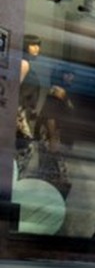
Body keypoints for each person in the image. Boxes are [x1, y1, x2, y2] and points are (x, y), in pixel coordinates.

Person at [34, 67, 75, 199]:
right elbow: (50, 116)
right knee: (56, 174)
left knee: (50, 172)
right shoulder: (57, 92)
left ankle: (49, 199)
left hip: (53, 139)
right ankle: (51, 200)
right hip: (53, 140)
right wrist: (53, 139)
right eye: (69, 74)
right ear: (62, 76)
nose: (72, 78)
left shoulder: (60, 92)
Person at [15, 35, 42, 177]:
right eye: (33, 45)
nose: (37, 48)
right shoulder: (23, 63)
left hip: (20, 111)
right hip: (17, 112)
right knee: (27, 148)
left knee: (24, 148)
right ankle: (13, 179)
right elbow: (14, 89)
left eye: (38, 45)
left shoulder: (25, 63)